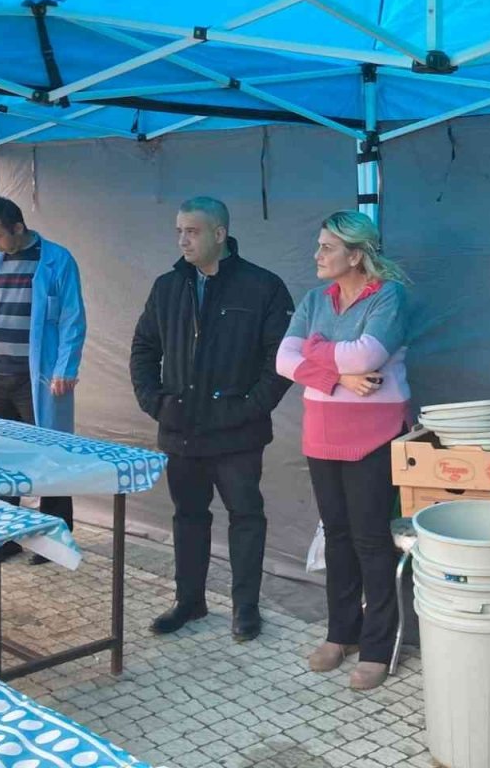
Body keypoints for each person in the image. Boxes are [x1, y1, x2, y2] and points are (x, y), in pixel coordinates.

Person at [131, 196, 294, 640]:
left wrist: (247, 408)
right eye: (179, 230)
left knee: (245, 517)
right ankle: (190, 601)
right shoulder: (168, 287)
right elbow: (144, 347)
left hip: (239, 434)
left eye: (192, 231)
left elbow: (280, 360)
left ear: (219, 234)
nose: (182, 239)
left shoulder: (263, 287)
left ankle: (246, 609)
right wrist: (156, 402)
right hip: (181, 430)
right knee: (188, 516)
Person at [277, 211, 410, 691]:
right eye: (319, 246)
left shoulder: (389, 297)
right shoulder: (315, 299)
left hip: (376, 433)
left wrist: (315, 354)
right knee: (336, 535)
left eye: (327, 248)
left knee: (371, 539)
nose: (317, 256)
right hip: (322, 432)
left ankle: (376, 644)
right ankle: (341, 633)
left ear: (356, 255)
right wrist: (337, 375)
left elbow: (367, 357)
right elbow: (281, 359)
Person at [0, 196, 87, 563]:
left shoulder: (57, 259)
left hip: (37, 378)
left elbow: (72, 319)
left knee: (51, 456)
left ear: (17, 227)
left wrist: (66, 368)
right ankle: (4, 536)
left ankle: (56, 535)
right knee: (0, 457)